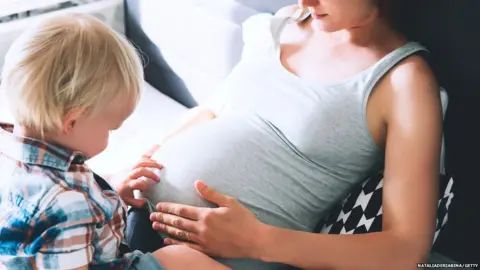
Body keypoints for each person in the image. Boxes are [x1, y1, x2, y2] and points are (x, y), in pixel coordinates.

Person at [128, 0, 443, 269]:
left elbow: (407, 249)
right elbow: (213, 112)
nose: (306, 1)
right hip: (135, 220)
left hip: (210, 261)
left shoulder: (404, 82)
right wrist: (142, 164)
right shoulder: (284, 23)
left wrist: (259, 240)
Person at [0, 13, 229, 270]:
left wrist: (108, 191)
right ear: (72, 120)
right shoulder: (66, 204)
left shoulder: (14, 152)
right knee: (183, 260)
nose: (111, 135)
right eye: (110, 128)